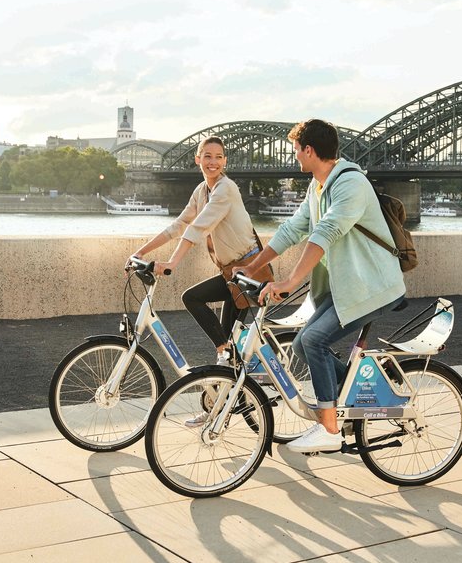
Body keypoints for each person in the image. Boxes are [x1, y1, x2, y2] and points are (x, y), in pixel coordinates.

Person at [239, 119, 405, 453]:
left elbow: (326, 232)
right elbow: (292, 230)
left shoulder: (350, 183)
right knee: (303, 345)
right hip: (347, 287)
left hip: (373, 286)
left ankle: (329, 429)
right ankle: (360, 394)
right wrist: (251, 267)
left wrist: (289, 281)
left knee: (313, 339)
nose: (294, 156)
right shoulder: (317, 187)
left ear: (309, 150)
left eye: (296, 150)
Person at [131, 136, 265, 366]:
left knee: (195, 301)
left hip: (249, 272)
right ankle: (234, 389)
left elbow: (198, 227)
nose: (213, 162)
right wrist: (140, 253)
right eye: (207, 156)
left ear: (225, 162)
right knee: (226, 347)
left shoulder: (226, 188)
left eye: (219, 157)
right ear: (197, 159)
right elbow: (179, 225)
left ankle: (234, 381)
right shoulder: (202, 191)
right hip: (230, 273)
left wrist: (172, 263)